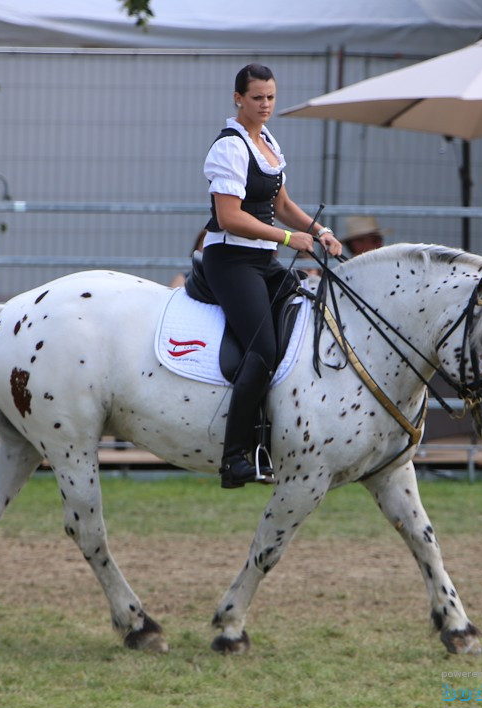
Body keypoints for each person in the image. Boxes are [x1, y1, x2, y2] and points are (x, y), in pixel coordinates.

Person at [202, 63, 342, 489]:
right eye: (257, 98)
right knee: (262, 348)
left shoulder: (267, 142)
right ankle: (233, 458)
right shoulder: (229, 148)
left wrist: (319, 231)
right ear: (238, 98)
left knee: (304, 325)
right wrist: (288, 238)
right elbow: (228, 218)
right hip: (230, 261)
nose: (265, 105)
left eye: (271, 98)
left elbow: (282, 203)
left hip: (263, 261)